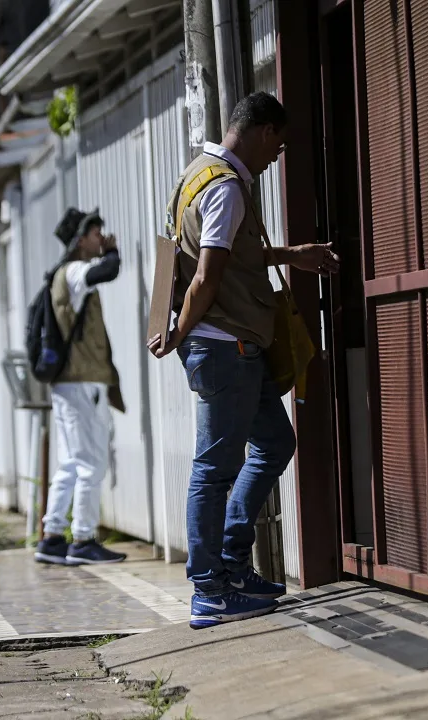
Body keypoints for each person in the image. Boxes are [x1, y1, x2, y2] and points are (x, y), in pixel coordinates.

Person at [147, 92, 340, 629]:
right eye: (278, 143)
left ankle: (231, 561)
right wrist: (178, 331)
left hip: (232, 343)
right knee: (212, 468)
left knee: (276, 442)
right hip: (222, 345)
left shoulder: (196, 176)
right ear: (260, 131)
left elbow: (217, 260)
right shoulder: (226, 190)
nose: (278, 154)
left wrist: (291, 256)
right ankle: (209, 588)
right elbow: (206, 275)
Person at [34, 211, 129, 566]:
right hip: (82, 381)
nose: (100, 236)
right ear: (80, 240)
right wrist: (114, 251)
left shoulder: (61, 274)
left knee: (71, 462)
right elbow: (107, 271)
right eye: (95, 232)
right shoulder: (74, 272)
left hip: (68, 384)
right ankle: (84, 539)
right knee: (92, 462)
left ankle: (53, 537)